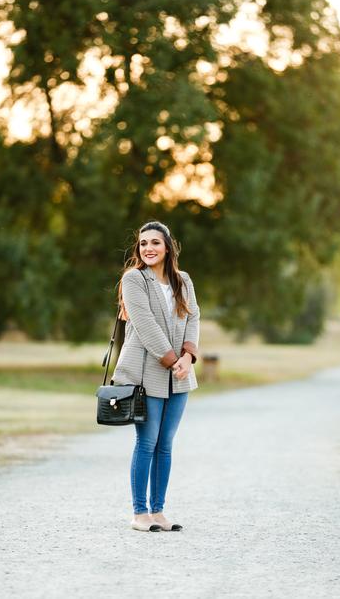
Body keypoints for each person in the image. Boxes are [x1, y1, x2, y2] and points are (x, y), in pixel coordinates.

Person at [112, 220, 200, 532]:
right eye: (143, 243)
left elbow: (193, 316)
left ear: (167, 248)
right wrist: (173, 359)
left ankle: (159, 511)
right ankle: (140, 513)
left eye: (155, 243)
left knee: (166, 444)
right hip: (147, 373)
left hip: (180, 375)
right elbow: (145, 324)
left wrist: (188, 357)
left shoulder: (183, 280)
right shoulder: (134, 279)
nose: (148, 248)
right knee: (147, 442)